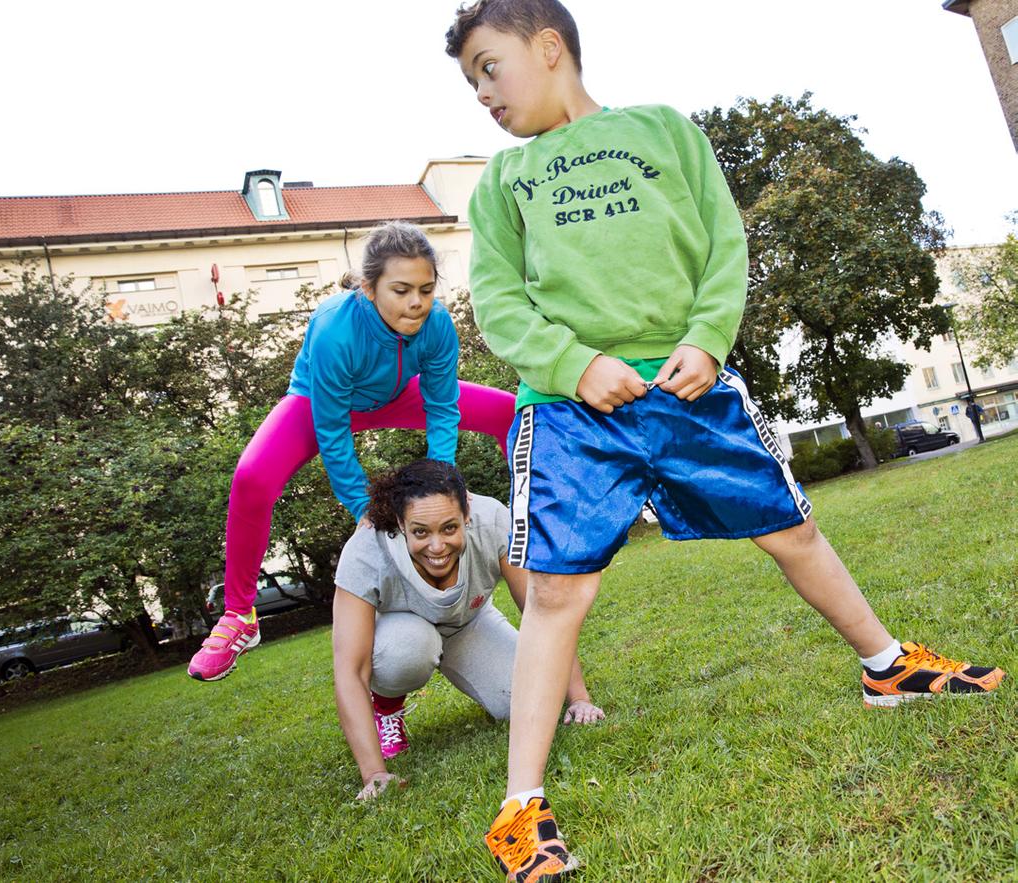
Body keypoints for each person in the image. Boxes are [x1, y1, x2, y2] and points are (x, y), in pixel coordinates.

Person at [444, 2, 1007, 880]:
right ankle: (519, 808)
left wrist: (708, 338)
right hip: (568, 411)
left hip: (688, 387)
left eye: (488, 66)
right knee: (555, 597)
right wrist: (573, 362)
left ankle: (886, 666)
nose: (481, 92)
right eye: (469, 80)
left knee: (791, 528)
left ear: (548, 46)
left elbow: (724, 246)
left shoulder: (664, 129)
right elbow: (501, 303)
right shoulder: (502, 182)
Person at [188, 221, 517, 685]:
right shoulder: (334, 330)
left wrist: (444, 485)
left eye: (425, 289)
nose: (416, 302)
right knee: (252, 476)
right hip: (322, 402)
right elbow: (333, 433)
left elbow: (443, 406)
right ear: (368, 287)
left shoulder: (437, 324)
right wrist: (366, 508)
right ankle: (239, 616)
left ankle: (534, 526)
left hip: (399, 393)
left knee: (510, 411)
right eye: (401, 290)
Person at [332, 459, 603, 801]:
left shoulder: (493, 521)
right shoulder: (366, 551)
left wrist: (579, 698)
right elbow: (350, 670)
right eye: (420, 532)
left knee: (517, 701)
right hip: (400, 633)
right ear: (401, 524)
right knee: (409, 648)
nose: (436, 546)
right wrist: (374, 774)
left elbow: (543, 613)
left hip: (468, 623)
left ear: (467, 515)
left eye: (449, 528)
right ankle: (386, 707)